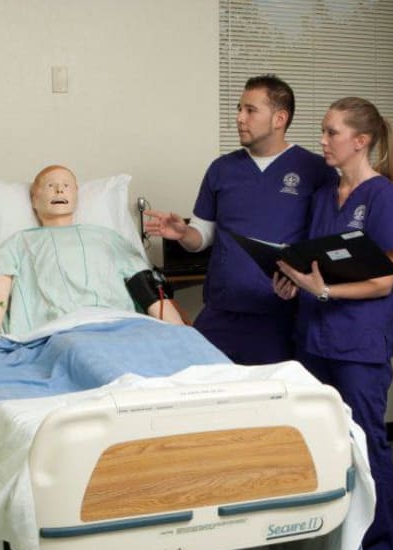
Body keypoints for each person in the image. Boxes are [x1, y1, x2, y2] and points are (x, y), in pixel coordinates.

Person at [273, 97, 393, 550]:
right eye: (324, 131)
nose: (323, 141)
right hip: (315, 338)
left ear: (361, 141)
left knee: (366, 446)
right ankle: (334, 544)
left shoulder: (384, 197)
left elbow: (383, 281)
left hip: (359, 345)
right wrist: (295, 283)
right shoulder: (323, 196)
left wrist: (323, 290)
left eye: (332, 132)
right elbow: (315, 265)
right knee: (322, 443)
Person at [144, 75, 338, 365]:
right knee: (199, 386)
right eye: (239, 109)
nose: (239, 118)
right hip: (223, 309)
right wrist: (184, 233)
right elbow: (202, 236)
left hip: (279, 316)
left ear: (279, 118)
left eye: (250, 110)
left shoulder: (316, 171)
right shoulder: (222, 169)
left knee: (270, 405)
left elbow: (326, 242)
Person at [0, 164, 184, 369]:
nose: (59, 189)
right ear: (34, 200)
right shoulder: (18, 244)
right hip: (56, 335)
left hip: (121, 329)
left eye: (66, 185)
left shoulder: (108, 238)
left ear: (77, 196)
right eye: (49, 186)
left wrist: (183, 335)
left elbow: (149, 292)